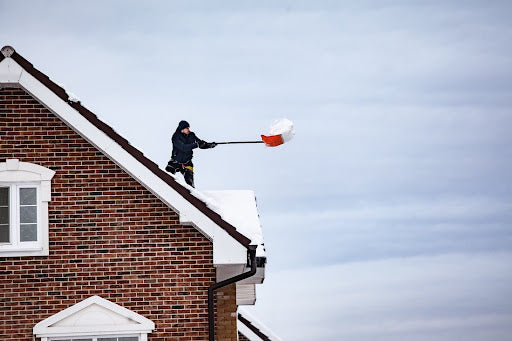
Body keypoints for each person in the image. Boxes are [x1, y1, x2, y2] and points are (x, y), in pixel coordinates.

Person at [165, 120, 216, 187]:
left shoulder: (192, 135)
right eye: (187, 128)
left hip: (187, 163)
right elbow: (183, 147)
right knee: (165, 178)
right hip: (175, 162)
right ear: (182, 129)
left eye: (188, 128)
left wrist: (209, 145)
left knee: (190, 185)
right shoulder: (175, 137)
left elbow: (200, 144)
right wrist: (196, 144)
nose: (188, 129)